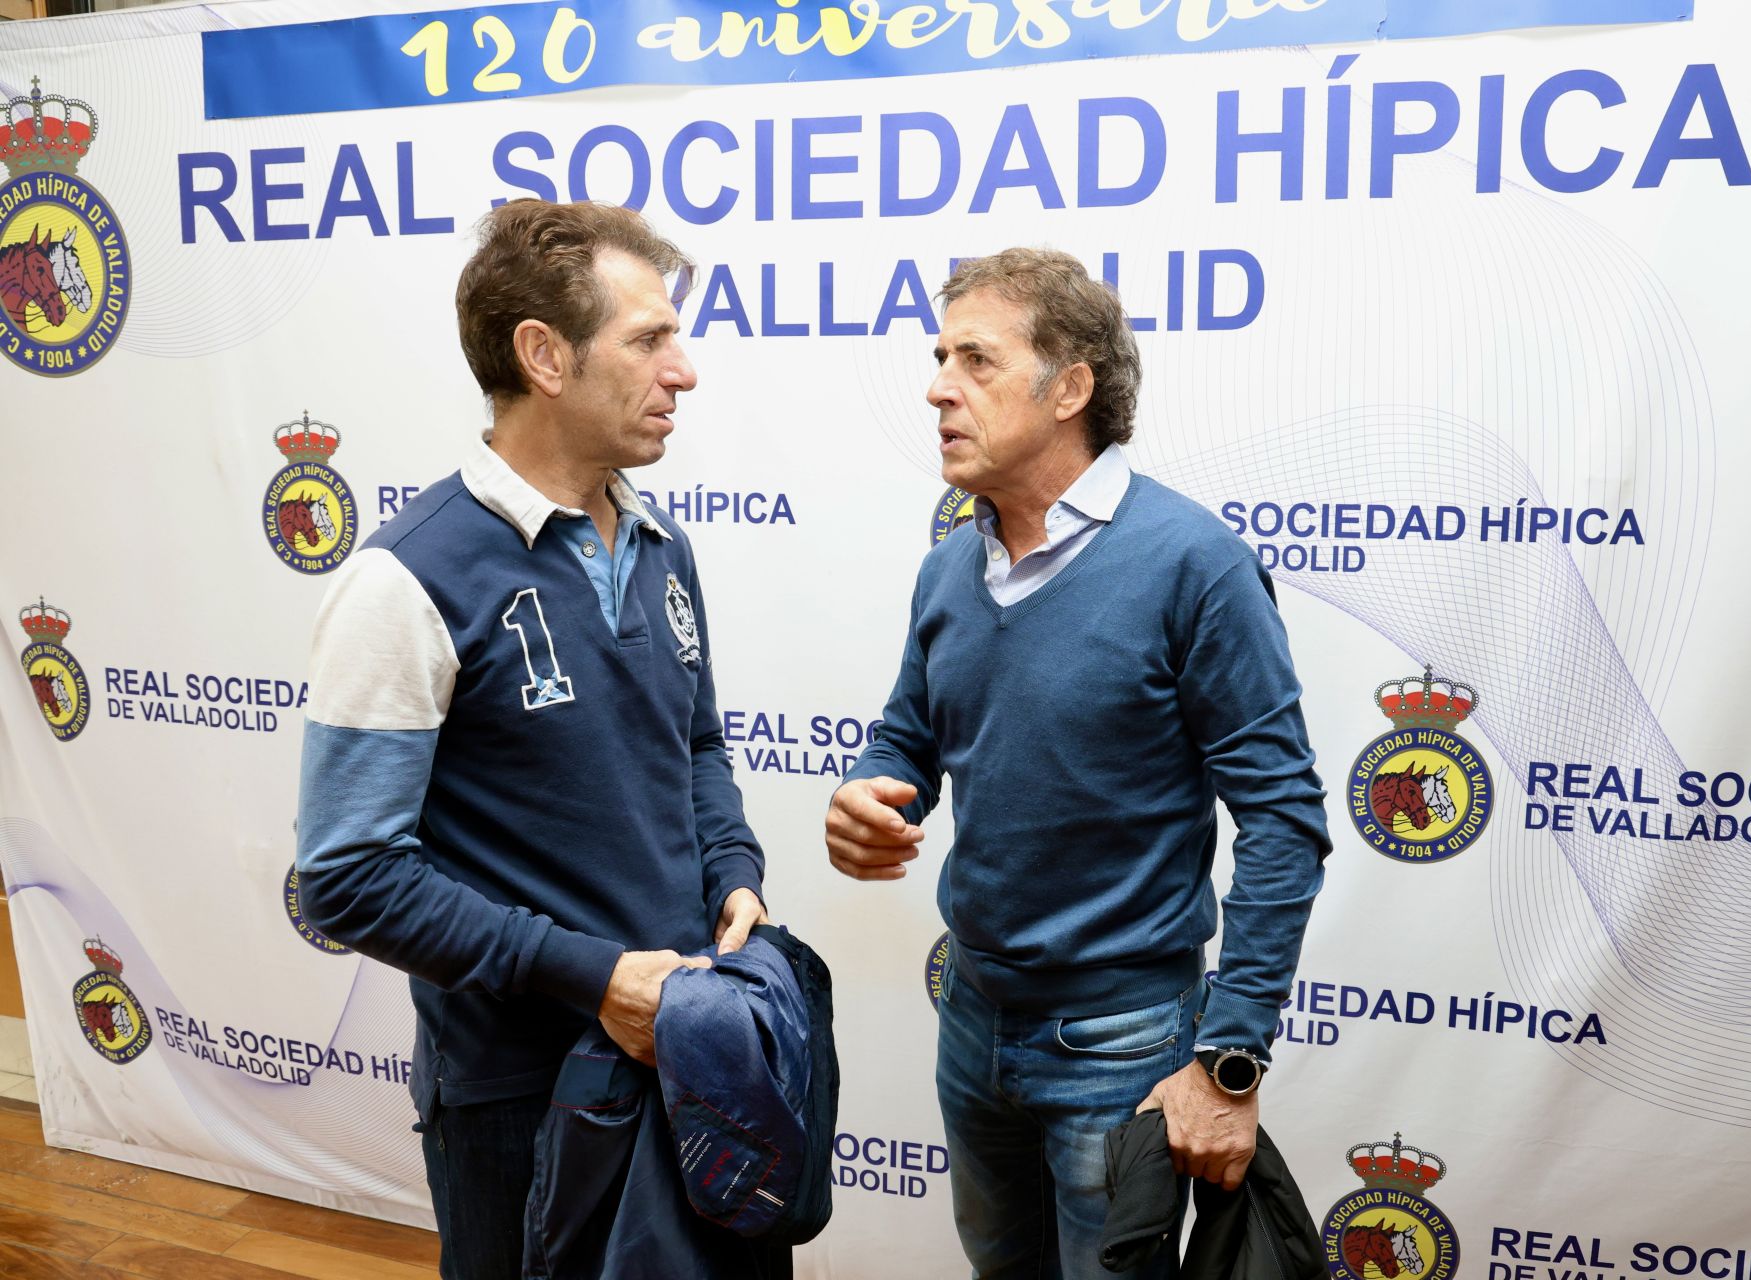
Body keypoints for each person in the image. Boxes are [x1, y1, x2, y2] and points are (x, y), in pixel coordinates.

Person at [825, 248, 1332, 1279]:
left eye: (974, 357)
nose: (936, 385)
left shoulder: (1193, 563)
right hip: (972, 1019)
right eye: (939, 354)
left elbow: (1284, 819)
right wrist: (870, 789)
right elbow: (908, 737)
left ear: (1070, 386)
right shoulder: (951, 565)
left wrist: (1228, 1061)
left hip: (1125, 1040)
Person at [296, 199, 769, 1279]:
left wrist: (734, 866)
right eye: (650, 338)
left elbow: (695, 744)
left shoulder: (659, 541)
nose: (683, 369)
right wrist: (593, 974)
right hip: (521, 1097)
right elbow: (348, 876)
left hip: (685, 1052)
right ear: (544, 355)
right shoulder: (405, 579)